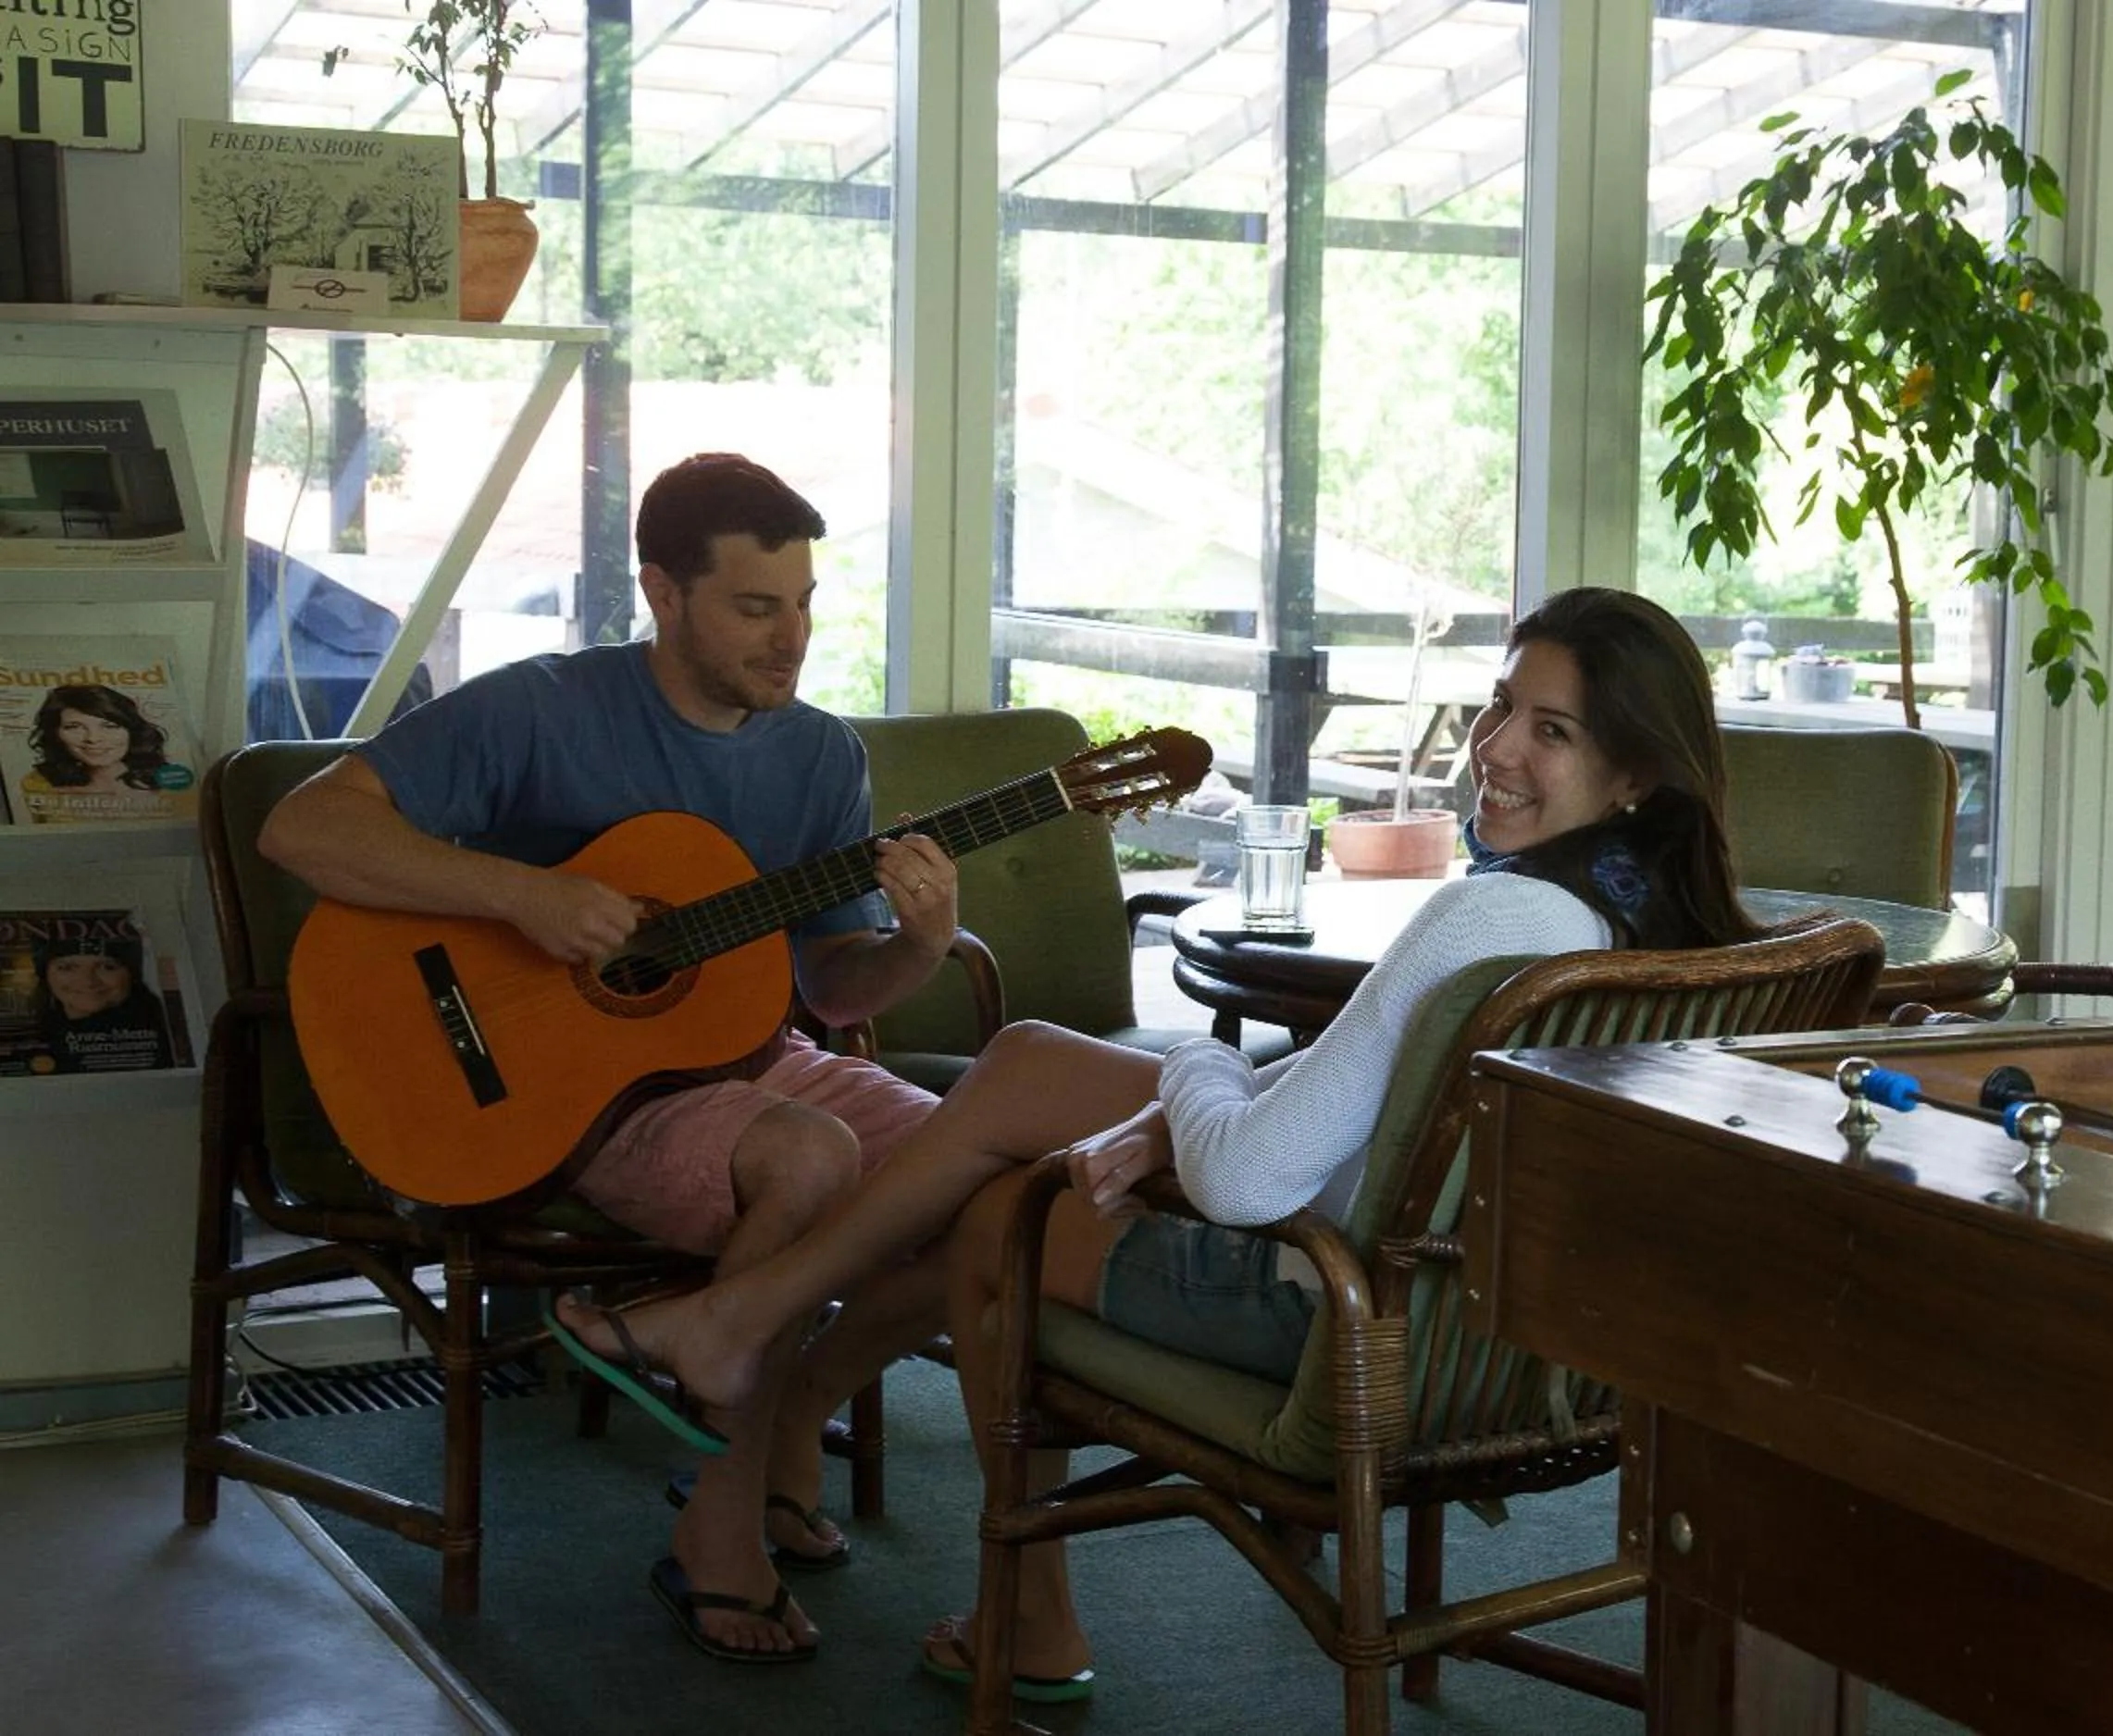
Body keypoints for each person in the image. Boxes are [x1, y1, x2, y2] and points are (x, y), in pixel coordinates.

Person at [549, 585, 1762, 1694]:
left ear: (1636, 775)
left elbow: (1245, 1176)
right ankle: (757, 1342)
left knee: (994, 1217)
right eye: (1502, 705)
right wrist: (1170, 1120)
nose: (1496, 748)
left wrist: (1198, 1069)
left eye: (1551, 732)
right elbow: (1386, 1112)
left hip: (1336, 1315)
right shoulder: (1686, 944)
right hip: (1514, 1343)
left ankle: (1012, 1603)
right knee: (1026, 1064)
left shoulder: (1490, 916)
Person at [256, 453, 965, 1664]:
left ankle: (796, 1404)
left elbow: (833, 986)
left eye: (803, 606)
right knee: (811, 1159)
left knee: (997, 1178)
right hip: (573, 1100)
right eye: (755, 607)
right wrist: (520, 894)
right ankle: (720, 1536)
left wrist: (922, 945)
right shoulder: (543, 708)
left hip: (762, 1060)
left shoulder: (821, 758)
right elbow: (301, 823)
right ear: (664, 592)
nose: (789, 638)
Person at [18, 683, 194, 823]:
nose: (93, 739)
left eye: (110, 726)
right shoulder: (38, 784)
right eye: (74, 727)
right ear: (55, 733)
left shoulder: (174, 783)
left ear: (131, 731)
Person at [31, 932, 176, 1073]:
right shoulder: (31, 1037)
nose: (88, 981)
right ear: (45, 975)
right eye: (67, 968)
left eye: (107, 967)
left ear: (132, 974)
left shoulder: (169, 1039)